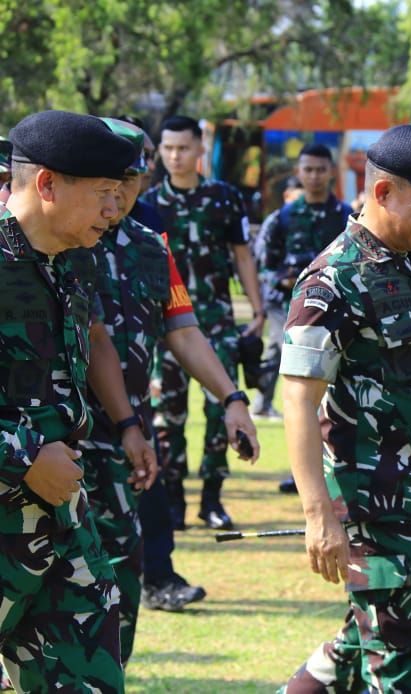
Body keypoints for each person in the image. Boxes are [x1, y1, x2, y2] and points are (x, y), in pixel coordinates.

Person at [277, 123, 411, 694]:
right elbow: (298, 397)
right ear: (383, 193)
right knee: (401, 658)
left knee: (359, 642)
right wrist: (319, 514)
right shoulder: (333, 279)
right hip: (375, 509)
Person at [78, 119, 261, 660]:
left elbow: (182, 328)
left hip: (125, 443)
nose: (118, 195)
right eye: (107, 183)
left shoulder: (150, 244)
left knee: (119, 592)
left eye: (129, 180)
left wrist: (232, 398)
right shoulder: (58, 240)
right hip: (55, 436)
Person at [0, 110, 136, 692]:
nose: (115, 209)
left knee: (92, 678)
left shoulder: (77, 259)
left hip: (60, 516)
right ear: (46, 184)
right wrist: (24, 456)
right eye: (104, 194)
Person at [141, 115, 266, 531]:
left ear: (199, 151)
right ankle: (174, 500)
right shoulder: (149, 204)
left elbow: (242, 254)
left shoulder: (225, 197)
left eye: (183, 148)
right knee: (168, 416)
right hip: (165, 324)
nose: (174, 155)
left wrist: (258, 307)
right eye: (167, 148)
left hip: (215, 321)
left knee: (222, 412)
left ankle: (212, 499)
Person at [253, 146, 351, 423]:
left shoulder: (346, 217)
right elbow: (264, 264)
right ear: (298, 173)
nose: (314, 176)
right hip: (289, 307)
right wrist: (279, 279)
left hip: (337, 311)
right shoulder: (283, 217)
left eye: (321, 170)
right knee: (283, 356)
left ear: (331, 173)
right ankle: (267, 404)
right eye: (308, 170)